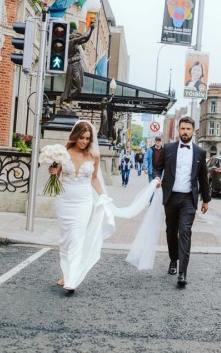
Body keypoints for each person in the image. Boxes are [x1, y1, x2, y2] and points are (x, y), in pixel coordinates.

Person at [48, 120, 157, 294]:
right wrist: (52, 172)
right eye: (81, 138)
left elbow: (94, 179)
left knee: (77, 238)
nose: (84, 141)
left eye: (87, 138)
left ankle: (72, 278)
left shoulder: (94, 155)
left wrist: (103, 195)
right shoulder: (63, 153)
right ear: (75, 136)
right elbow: (55, 178)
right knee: (66, 240)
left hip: (83, 203)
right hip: (65, 202)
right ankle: (66, 272)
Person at [152, 116, 211, 287]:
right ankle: (173, 260)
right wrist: (157, 177)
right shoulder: (168, 148)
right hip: (170, 197)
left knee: (185, 231)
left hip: (188, 199)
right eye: (182, 129)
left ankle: (182, 272)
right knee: (171, 231)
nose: (185, 132)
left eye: (188, 129)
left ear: (193, 131)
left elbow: (203, 178)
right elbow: (158, 167)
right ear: (179, 130)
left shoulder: (200, 152)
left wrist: (206, 200)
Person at [60, 22, 96, 111]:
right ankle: (63, 99)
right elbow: (84, 37)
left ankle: (67, 102)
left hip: (77, 64)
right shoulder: (71, 42)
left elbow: (86, 39)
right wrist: (89, 27)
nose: (78, 38)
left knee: (78, 88)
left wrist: (91, 30)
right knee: (76, 87)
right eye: (77, 36)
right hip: (73, 65)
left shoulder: (75, 43)